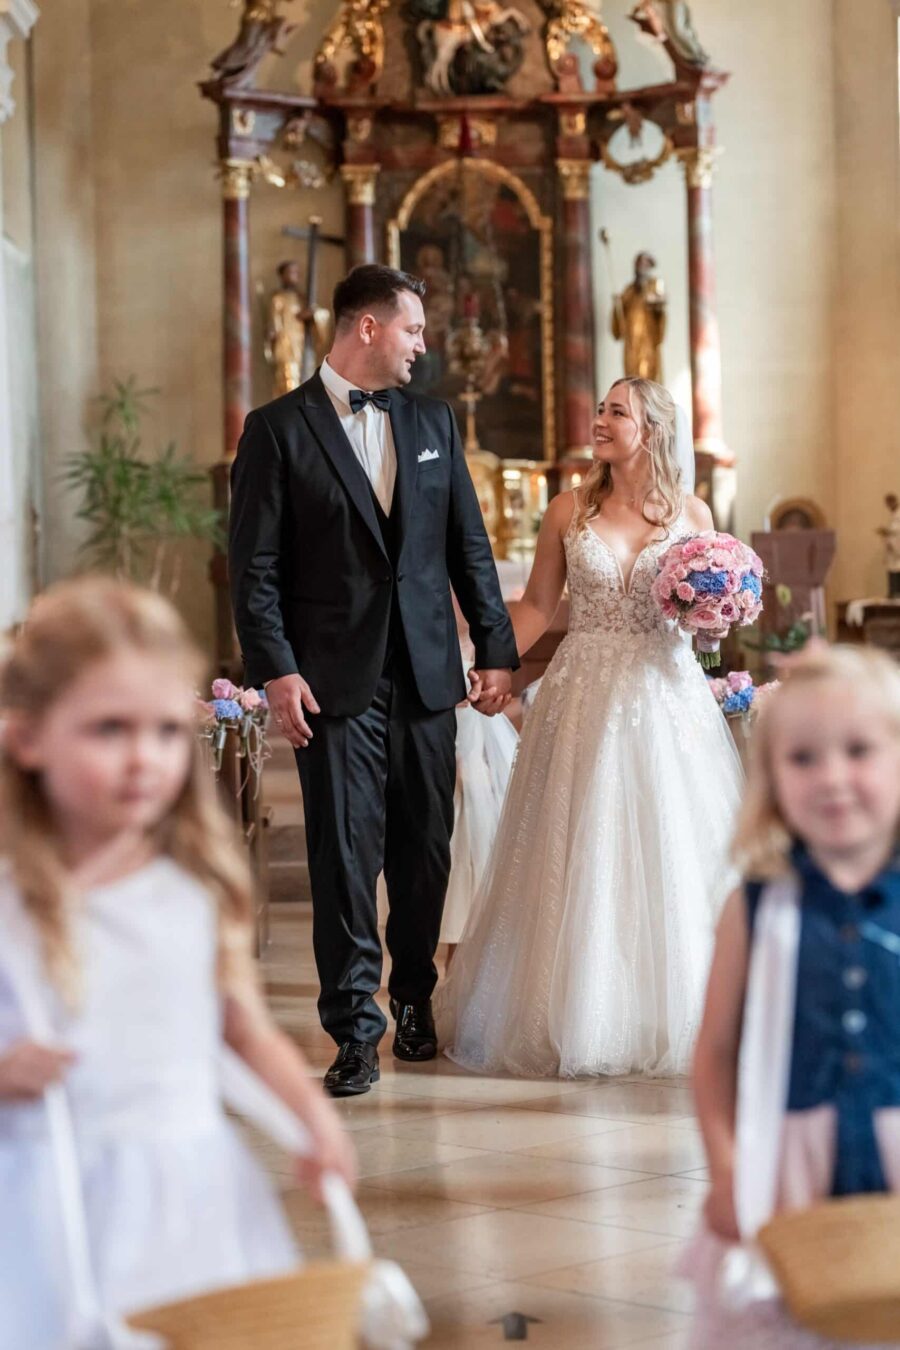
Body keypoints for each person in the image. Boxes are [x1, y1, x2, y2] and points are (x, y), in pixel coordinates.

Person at [0, 577, 355, 1350]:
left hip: (189, 1195)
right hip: (43, 1189)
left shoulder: (194, 890)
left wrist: (312, 1116)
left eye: (166, 730)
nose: (145, 758)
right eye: (109, 729)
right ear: (27, 737)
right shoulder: (13, 901)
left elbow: (243, 1029)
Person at [229, 263, 518, 1098]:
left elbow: (468, 546)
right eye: (413, 329)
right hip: (331, 680)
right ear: (368, 327)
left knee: (424, 850)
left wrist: (495, 649)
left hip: (426, 675)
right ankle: (354, 1030)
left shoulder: (432, 421)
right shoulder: (276, 430)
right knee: (345, 856)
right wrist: (277, 670)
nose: (422, 345)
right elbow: (256, 568)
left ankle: (415, 997)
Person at [437, 377, 743, 1078]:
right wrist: (490, 664)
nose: (600, 421)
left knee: (669, 848)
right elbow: (538, 606)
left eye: (616, 412)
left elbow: (708, 622)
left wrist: (717, 616)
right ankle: (573, 1010)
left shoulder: (693, 514)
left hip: (666, 697)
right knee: (580, 846)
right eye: (600, 409)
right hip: (583, 695)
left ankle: (675, 1011)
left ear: (652, 429)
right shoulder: (568, 510)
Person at [687, 645, 900, 1349]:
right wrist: (726, 1168)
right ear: (772, 780)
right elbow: (716, 1053)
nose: (832, 778)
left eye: (859, 751)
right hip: (789, 1168)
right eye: (803, 758)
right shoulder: (755, 910)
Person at [611, 252, 667, 383]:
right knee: (632, 379)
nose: (641, 268)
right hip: (632, 344)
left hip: (648, 343)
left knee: (650, 379)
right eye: (639, 264)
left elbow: (660, 309)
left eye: (645, 265)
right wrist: (617, 304)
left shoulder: (655, 286)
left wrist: (657, 305)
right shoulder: (629, 290)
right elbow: (620, 317)